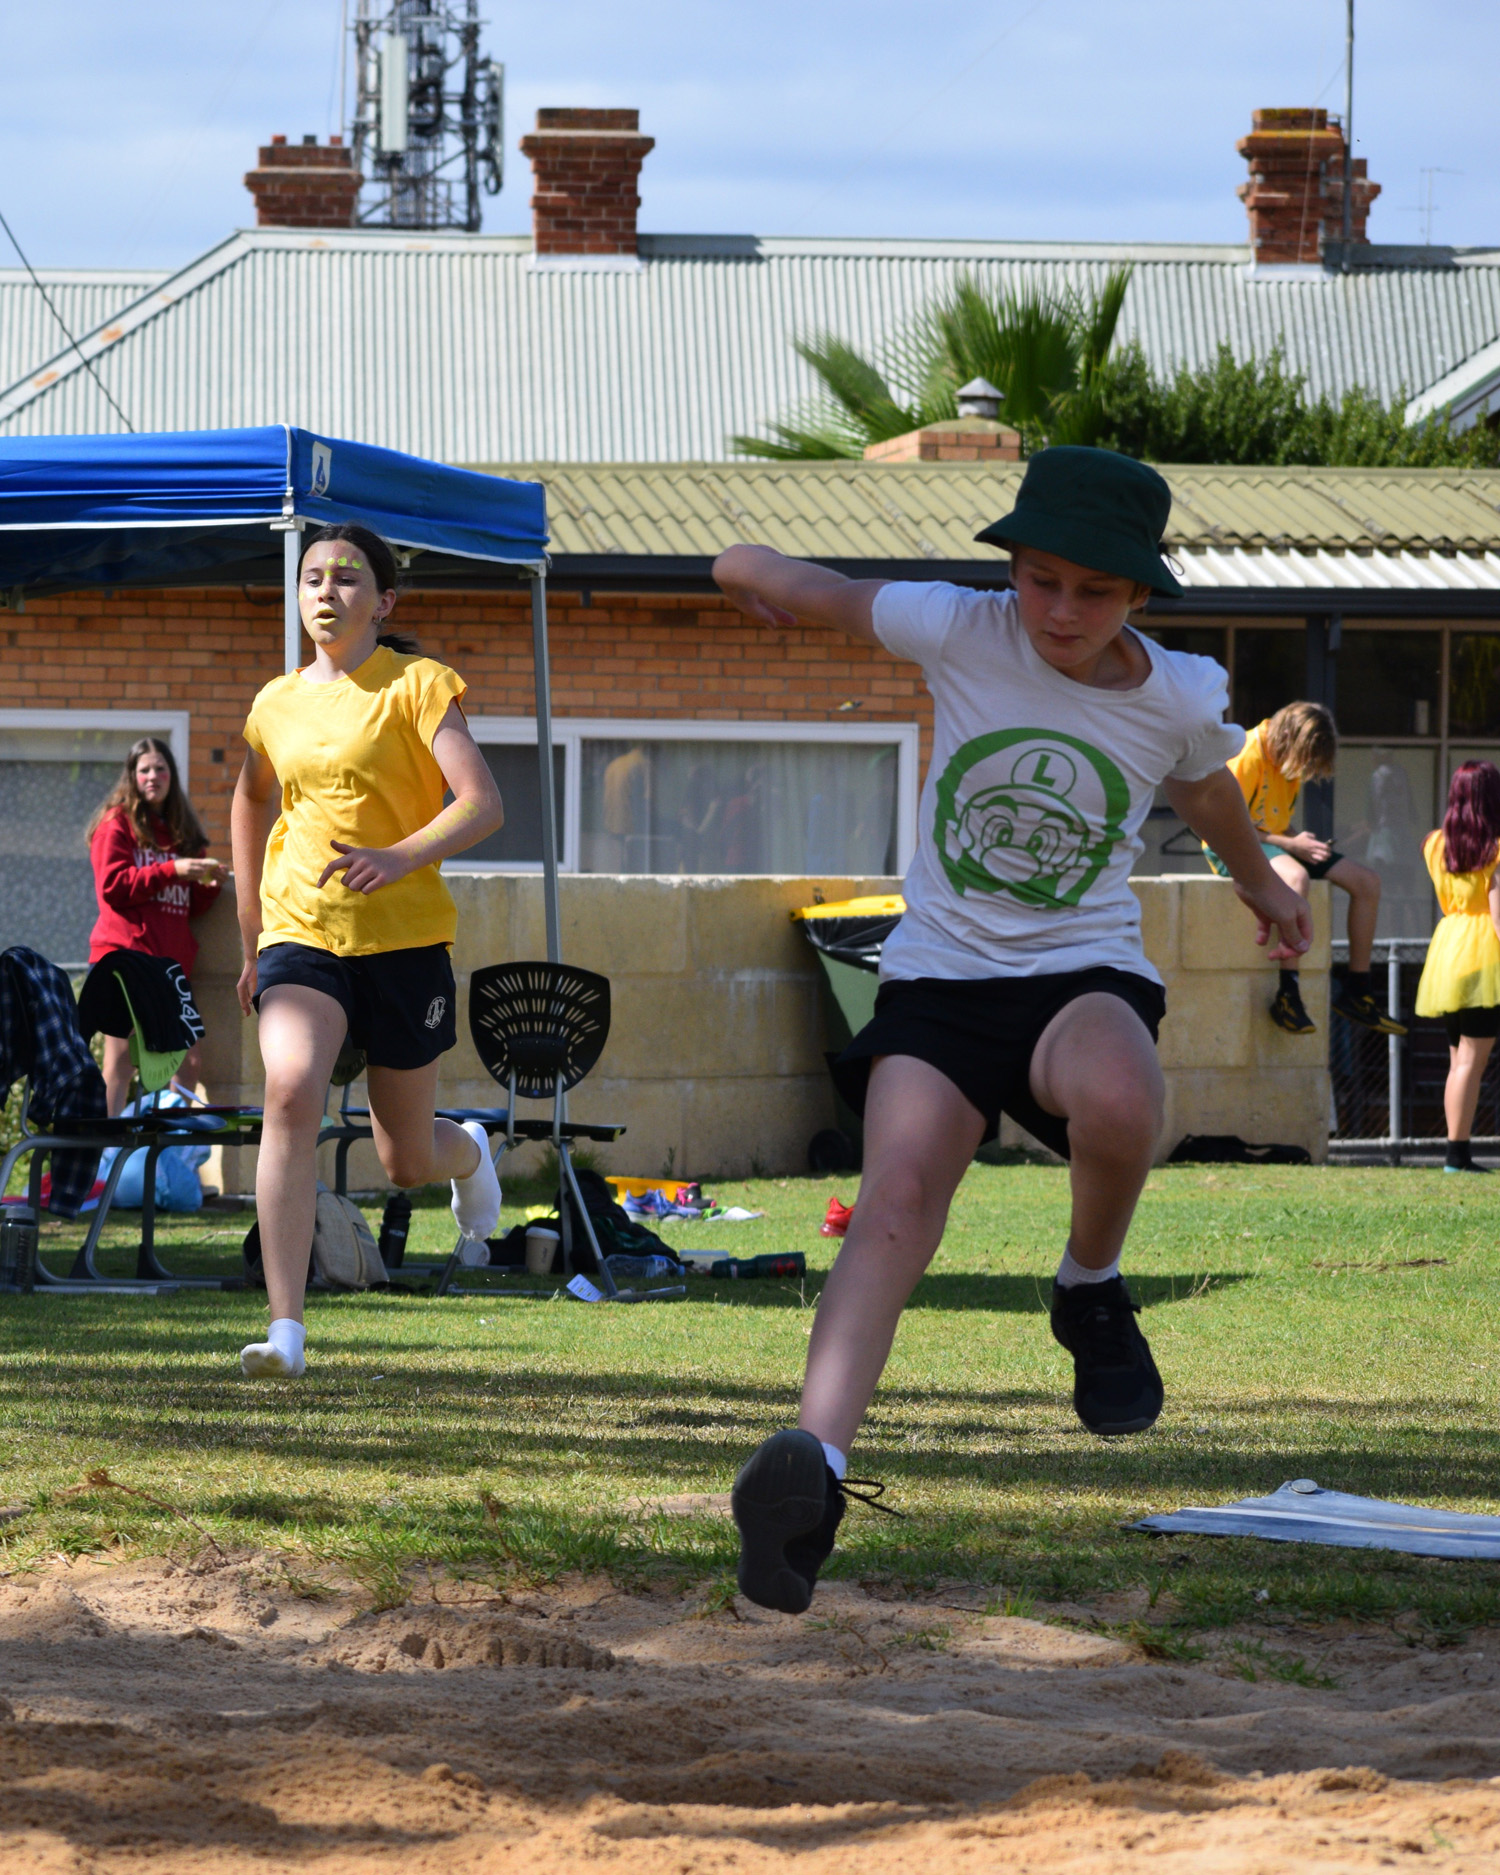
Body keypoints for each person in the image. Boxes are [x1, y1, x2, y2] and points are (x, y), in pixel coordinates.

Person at [712, 445, 1311, 1615]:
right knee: (893, 1199)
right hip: (938, 983)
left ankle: (1090, 1285)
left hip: (1079, 971)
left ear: (1140, 593)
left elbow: (1205, 792)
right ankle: (810, 1477)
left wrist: (1262, 884)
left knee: (1123, 1098)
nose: (1062, 612)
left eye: (1095, 591)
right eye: (1042, 581)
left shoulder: (1180, 693)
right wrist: (741, 565)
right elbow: (823, 591)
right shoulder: (959, 626)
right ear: (1012, 569)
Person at [230, 523, 505, 1379]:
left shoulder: (419, 685)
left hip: (404, 940)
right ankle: (285, 1329)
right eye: (312, 576)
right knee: (289, 1090)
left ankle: (471, 1152)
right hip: (300, 931)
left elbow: (482, 802)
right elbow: (250, 800)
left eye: (346, 578)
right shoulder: (276, 703)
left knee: (405, 1159)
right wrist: (251, 937)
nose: (326, 590)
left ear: (384, 600)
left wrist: (398, 857)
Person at [1203, 702, 1404, 1039]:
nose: (1306, 770)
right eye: (1306, 761)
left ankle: (1358, 991)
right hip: (1230, 846)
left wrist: (1302, 842)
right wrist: (1292, 845)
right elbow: (1225, 825)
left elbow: (1276, 822)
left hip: (1272, 842)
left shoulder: (1285, 756)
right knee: (1296, 877)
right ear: (1290, 740)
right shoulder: (1247, 754)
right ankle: (1288, 994)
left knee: (1367, 882)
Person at [86, 738, 224, 1114]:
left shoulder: (182, 833)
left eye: (160, 768)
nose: (152, 776)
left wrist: (209, 885)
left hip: (169, 969)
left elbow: (192, 906)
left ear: (171, 776)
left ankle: (170, 1148)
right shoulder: (116, 824)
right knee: (121, 1063)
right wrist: (172, 869)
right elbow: (112, 887)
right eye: (144, 769)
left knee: (188, 1062)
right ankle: (107, 1146)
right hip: (125, 961)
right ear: (131, 776)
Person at [1414, 760, 1500, 1174]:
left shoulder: (1434, 844)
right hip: (1484, 956)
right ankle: (1457, 1155)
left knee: (1459, 1059)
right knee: (1472, 1060)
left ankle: (1456, 1152)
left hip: (1449, 949)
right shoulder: (1495, 849)